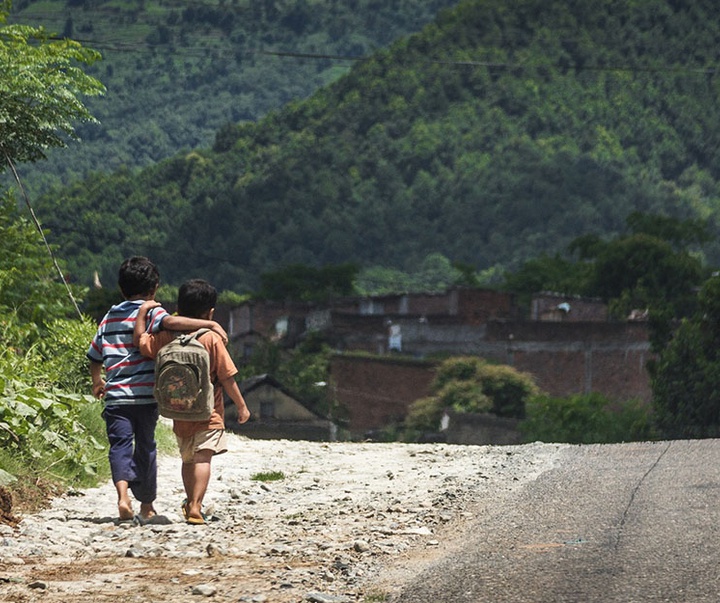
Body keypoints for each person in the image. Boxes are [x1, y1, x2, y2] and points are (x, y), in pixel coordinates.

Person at [88, 257, 228, 524]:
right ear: (154, 288)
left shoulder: (109, 317)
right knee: (146, 447)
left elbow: (94, 355)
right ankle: (147, 505)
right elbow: (173, 324)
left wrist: (98, 381)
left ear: (120, 288)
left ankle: (122, 498)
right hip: (144, 397)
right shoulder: (152, 311)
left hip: (116, 397)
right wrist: (208, 324)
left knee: (119, 446)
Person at [134, 278, 250, 525]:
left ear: (178, 308)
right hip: (209, 412)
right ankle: (196, 505)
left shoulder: (165, 336)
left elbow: (141, 342)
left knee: (188, 459)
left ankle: (189, 500)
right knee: (203, 458)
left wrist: (143, 313)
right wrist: (241, 406)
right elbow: (227, 377)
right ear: (209, 312)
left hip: (178, 411)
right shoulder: (210, 338)